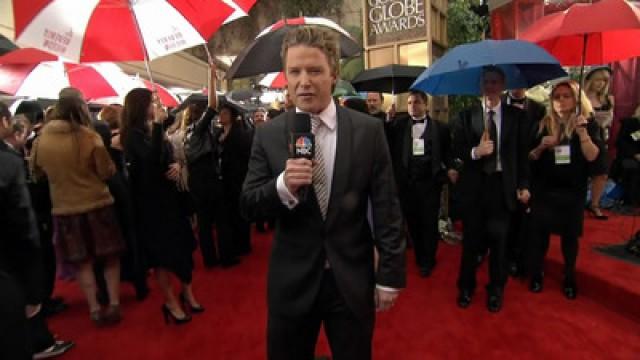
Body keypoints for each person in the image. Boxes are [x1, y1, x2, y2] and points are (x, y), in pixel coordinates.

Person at [241, 26, 406, 360]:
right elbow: (248, 205)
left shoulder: (368, 131)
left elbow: (387, 207)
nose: (304, 80)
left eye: (314, 70)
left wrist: (389, 275)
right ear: (286, 77)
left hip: (350, 280)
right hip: (292, 282)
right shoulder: (269, 135)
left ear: (333, 74)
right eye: (295, 71)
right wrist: (283, 186)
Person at [31, 95, 125, 326]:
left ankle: (93, 308)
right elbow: (106, 171)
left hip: (64, 208)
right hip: (97, 204)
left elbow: (36, 174)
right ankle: (113, 303)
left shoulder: (41, 141)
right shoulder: (89, 137)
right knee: (110, 257)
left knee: (83, 262)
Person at [452, 66, 530, 313]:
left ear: (503, 85)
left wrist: (524, 185)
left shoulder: (515, 116)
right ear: (481, 85)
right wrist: (476, 152)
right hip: (475, 189)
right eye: (486, 82)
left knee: (499, 244)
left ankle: (496, 289)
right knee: (471, 244)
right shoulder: (466, 116)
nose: (491, 86)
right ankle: (466, 288)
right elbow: (456, 151)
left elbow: (521, 157)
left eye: (495, 82)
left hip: (502, 188)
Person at [122, 88, 202, 324]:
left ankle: (186, 291)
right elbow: (150, 160)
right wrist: (158, 126)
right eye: (152, 101)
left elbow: (166, 157)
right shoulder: (132, 136)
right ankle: (170, 301)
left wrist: (176, 164)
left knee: (186, 247)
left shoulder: (155, 130)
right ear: (140, 106)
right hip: (151, 206)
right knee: (162, 258)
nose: (156, 105)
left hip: (171, 199)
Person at [1, 102, 74, 359]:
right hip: (16, 244)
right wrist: (34, 243)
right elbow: (21, 212)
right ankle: (39, 342)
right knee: (27, 295)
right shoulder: (8, 161)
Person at [528, 80, 602, 299]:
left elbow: (593, 156)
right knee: (540, 236)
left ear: (576, 99)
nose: (560, 100)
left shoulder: (587, 124)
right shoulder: (543, 124)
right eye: (556, 96)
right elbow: (529, 158)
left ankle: (569, 276)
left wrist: (583, 134)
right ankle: (538, 273)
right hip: (544, 190)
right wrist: (541, 146)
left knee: (570, 238)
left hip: (573, 191)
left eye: (566, 96)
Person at [386, 90, 456, 277]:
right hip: (407, 184)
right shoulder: (398, 126)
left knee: (429, 222)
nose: (412, 106)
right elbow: (384, 139)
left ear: (426, 105)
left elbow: (448, 152)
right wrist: (388, 119)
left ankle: (428, 259)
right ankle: (419, 255)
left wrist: (450, 168)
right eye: (409, 103)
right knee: (413, 222)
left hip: (430, 183)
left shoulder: (441, 128)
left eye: (416, 102)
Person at [503, 88, 547, 277]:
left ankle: (519, 258)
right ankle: (502, 256)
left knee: (524, 217)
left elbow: (541, 134)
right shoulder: (496, 104)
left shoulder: (538, 109)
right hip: (503, 168)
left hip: (529, 166)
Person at [216, 100, 253, 260]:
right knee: (229, 213)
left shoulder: (240, 134)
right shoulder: (218, 134)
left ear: (232, 116)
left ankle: (243, 244)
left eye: (224, 113)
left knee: (240, 213)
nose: (221, 116)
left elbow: (246, 156)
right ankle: (234, 242)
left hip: (238, 177)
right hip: (223, 179)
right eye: (220, 113)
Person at [584, 67, 613, 220]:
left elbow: (608, 120)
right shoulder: (580, 97)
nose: (601, 84)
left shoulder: (608, 99)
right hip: (582, 134)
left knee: (601, 172)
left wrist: (602, 119)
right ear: (590, 80)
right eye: (598, 79)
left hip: (599, 137)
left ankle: (594, 204)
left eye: (604, 81)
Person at [614, 105, 640, 207]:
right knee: (635, 169)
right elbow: (620, 142)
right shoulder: (631, 123)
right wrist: (635, 154)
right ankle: (631, 202)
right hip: (628, 157)